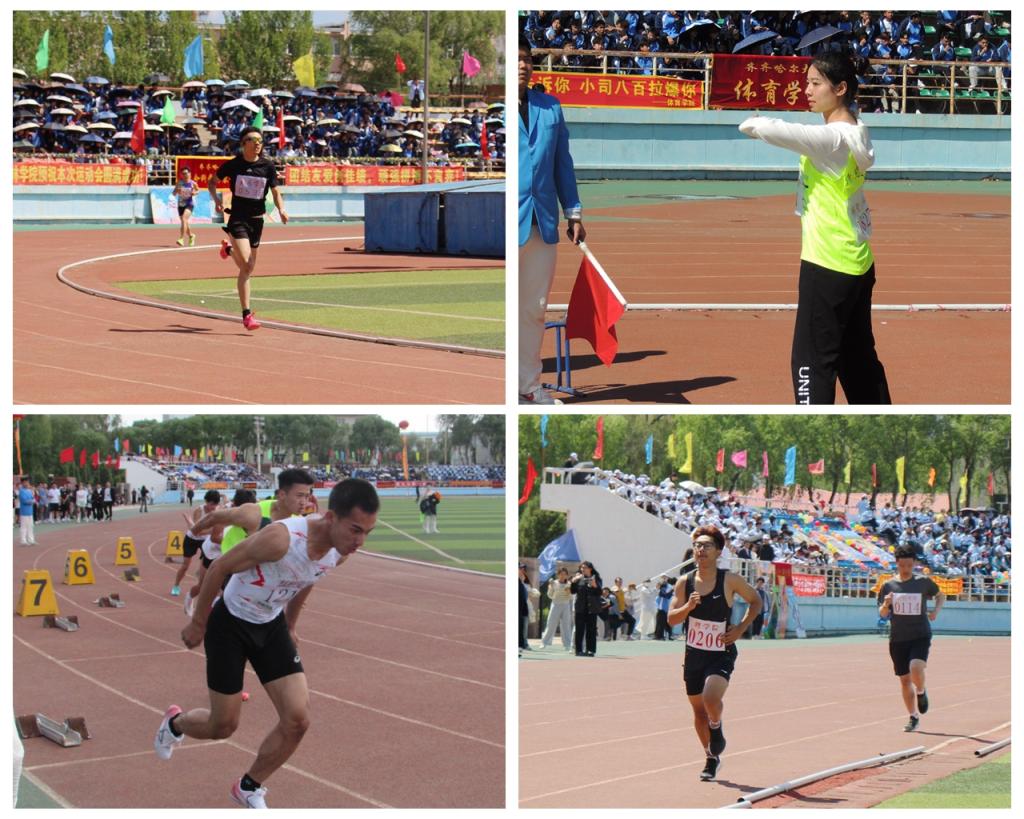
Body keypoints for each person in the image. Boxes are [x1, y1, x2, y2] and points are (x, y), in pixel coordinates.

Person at [154, 478, 380, 808]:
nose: (359, 541)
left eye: (367, 533)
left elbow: (308, 578)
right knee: (223, 725)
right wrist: (198, 622)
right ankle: (175, 724)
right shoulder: (281, 539)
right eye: (355, 530)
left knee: (297, 720)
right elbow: (220, 567)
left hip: (270, 626)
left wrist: (291, 625)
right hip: (231, 624)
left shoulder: (339, 552)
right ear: (331, 518)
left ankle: (248, 787)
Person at [739, 52, 890, 405]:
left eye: (815, 83)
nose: (806, 90)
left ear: (840, 88)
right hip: (857, 261)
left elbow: (762, 128)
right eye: (807, 82)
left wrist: (754, 120)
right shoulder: (858, 130)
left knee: (811, 362)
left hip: (827, 264)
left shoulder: (833, 140)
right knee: (858, 361)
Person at [518, 35, 585, 405]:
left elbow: (563, 164)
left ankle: (528, 387)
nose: (522, 66)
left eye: (527, 59)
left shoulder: (551, 108)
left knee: (534, 308)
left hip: (541, 224)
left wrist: (572, 212)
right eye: (516, 60)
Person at [667, 526, 762, 782]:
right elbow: (672, 619)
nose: (701, 549)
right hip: (694, 654)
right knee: (699, 712)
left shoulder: (729, 580)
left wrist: (740, 628)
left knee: (711, 697)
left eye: (707, 545)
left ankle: (716, 727)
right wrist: (689, 606)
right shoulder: (684, 583)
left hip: (721, 651)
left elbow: (756, 601)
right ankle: (711, 757)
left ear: (719, 551)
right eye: (697, 545)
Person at [209, 126, 289, 331]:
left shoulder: (267, 166)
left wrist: (281, 209)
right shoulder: (233, 165)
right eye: (254, 140)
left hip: (257, 221)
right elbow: (212, 182)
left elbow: (276, 191)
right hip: (238, 219)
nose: (258, 144)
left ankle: (228, 250)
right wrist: (216, 201)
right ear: (244, 143)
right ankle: (246, 315)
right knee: (246, 265)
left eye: (260, 141)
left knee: (249, 267)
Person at [877, 544, 945, 732]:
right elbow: (882, 614)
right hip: (898, 638)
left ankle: (921, 691)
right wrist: (886, 604)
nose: (906, 569)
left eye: (909, 565)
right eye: (902, 566)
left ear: (914, 563)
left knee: (915, 667)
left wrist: (936, 611)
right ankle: (913, 716)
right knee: (905, 680)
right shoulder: (888, 585)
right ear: (896, 564)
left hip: (920, 634)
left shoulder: (923, 582)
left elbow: (940, 595)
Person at [172, 490, 221, 598]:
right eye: (211, 504)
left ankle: (201, 585)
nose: (213, 507)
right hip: (192, 539)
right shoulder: (199, 511)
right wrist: (211, 531)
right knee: (185, 566)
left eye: (215, 504)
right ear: (206, 502)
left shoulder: (218, 510)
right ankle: (176, 585)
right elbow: (196, 531)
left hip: (205, 541)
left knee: (207, 566)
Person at [570, 561, 602, 656]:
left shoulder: (597, 578)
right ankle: (578, 650)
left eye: (585, 567)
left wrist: (595, 585)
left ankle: (591, 650)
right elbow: (572, 591)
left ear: (590, 569)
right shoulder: (578, 578)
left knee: (591, 630)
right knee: (579, 630)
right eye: (581, 568)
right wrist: (573, 582)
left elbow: (599, 592)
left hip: (592, 608)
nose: (582, 569)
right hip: (580, 608)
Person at [541, 567, 573, 650]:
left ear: (567, 575)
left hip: (566, 605)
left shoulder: (569, 584)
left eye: (564, 574)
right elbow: (550, 595)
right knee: (551, 624)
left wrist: (569, 592)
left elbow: (571, 597)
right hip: (555, 605)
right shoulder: (554, 583)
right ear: (558, 575)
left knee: (566, 625)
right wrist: (550, 587)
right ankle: (544, 642)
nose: (562, 576)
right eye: (561, 574)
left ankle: (567, 644)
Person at [172, 166, 199, 247]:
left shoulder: (193, 183)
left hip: (189, 203)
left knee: (184, 219)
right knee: (185, 222)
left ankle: (181, 238)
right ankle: (191, 236)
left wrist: (194, 193)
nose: (184, 175)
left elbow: (198, 191)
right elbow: (174, 193)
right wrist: (177, 190)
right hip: (180, 205)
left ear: (189, 173)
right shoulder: (179, 183)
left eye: (186, 173)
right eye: (183, 174)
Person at [17, 477, 36, 546]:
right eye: (25, 482)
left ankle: (31, 540)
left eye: (28, 482)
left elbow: (33, 499)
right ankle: (23, 541)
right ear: (22, 483)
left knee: (30, 526)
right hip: (24, 512)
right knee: (24, 527)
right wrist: (32, 501)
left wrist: (32, 500)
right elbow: (24, 501)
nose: (27, 483)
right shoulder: (21, 491)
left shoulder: (29, 491)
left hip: (30, 511)